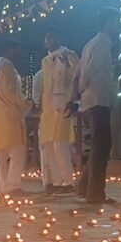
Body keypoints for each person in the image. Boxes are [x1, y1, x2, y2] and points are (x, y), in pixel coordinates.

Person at [77, 7, 121, 204]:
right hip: (97, 99)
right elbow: (88, 70)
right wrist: (82, 88)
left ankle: (84, 186)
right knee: (102, 146)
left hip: (94, 99)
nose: (118, 25)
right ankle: (95, 193)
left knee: (99, 145)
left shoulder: (91, 43)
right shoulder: (102, 43)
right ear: (109, 22)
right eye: (116, 21)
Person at [0, 39, 33, 196]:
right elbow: (10, 92)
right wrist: (25, 104)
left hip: (0, 116)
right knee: (17, 151)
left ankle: (4, 186)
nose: (19, 54)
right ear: (8, 50)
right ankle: (13, 186)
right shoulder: (7, 67)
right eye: (16, 50)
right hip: (10, 114)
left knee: (2, 153)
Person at [40, 28, 80, 195]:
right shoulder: (45, 60)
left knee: (59, 143)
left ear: (60, 38)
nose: (50, 41)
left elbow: (76, 77)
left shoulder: (69, 55)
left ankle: (68, 181)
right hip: (48, 107)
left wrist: (67, 64)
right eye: (47, 38)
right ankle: (56, 181)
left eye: (53, 37)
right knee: (48, 144)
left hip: (63, 103)